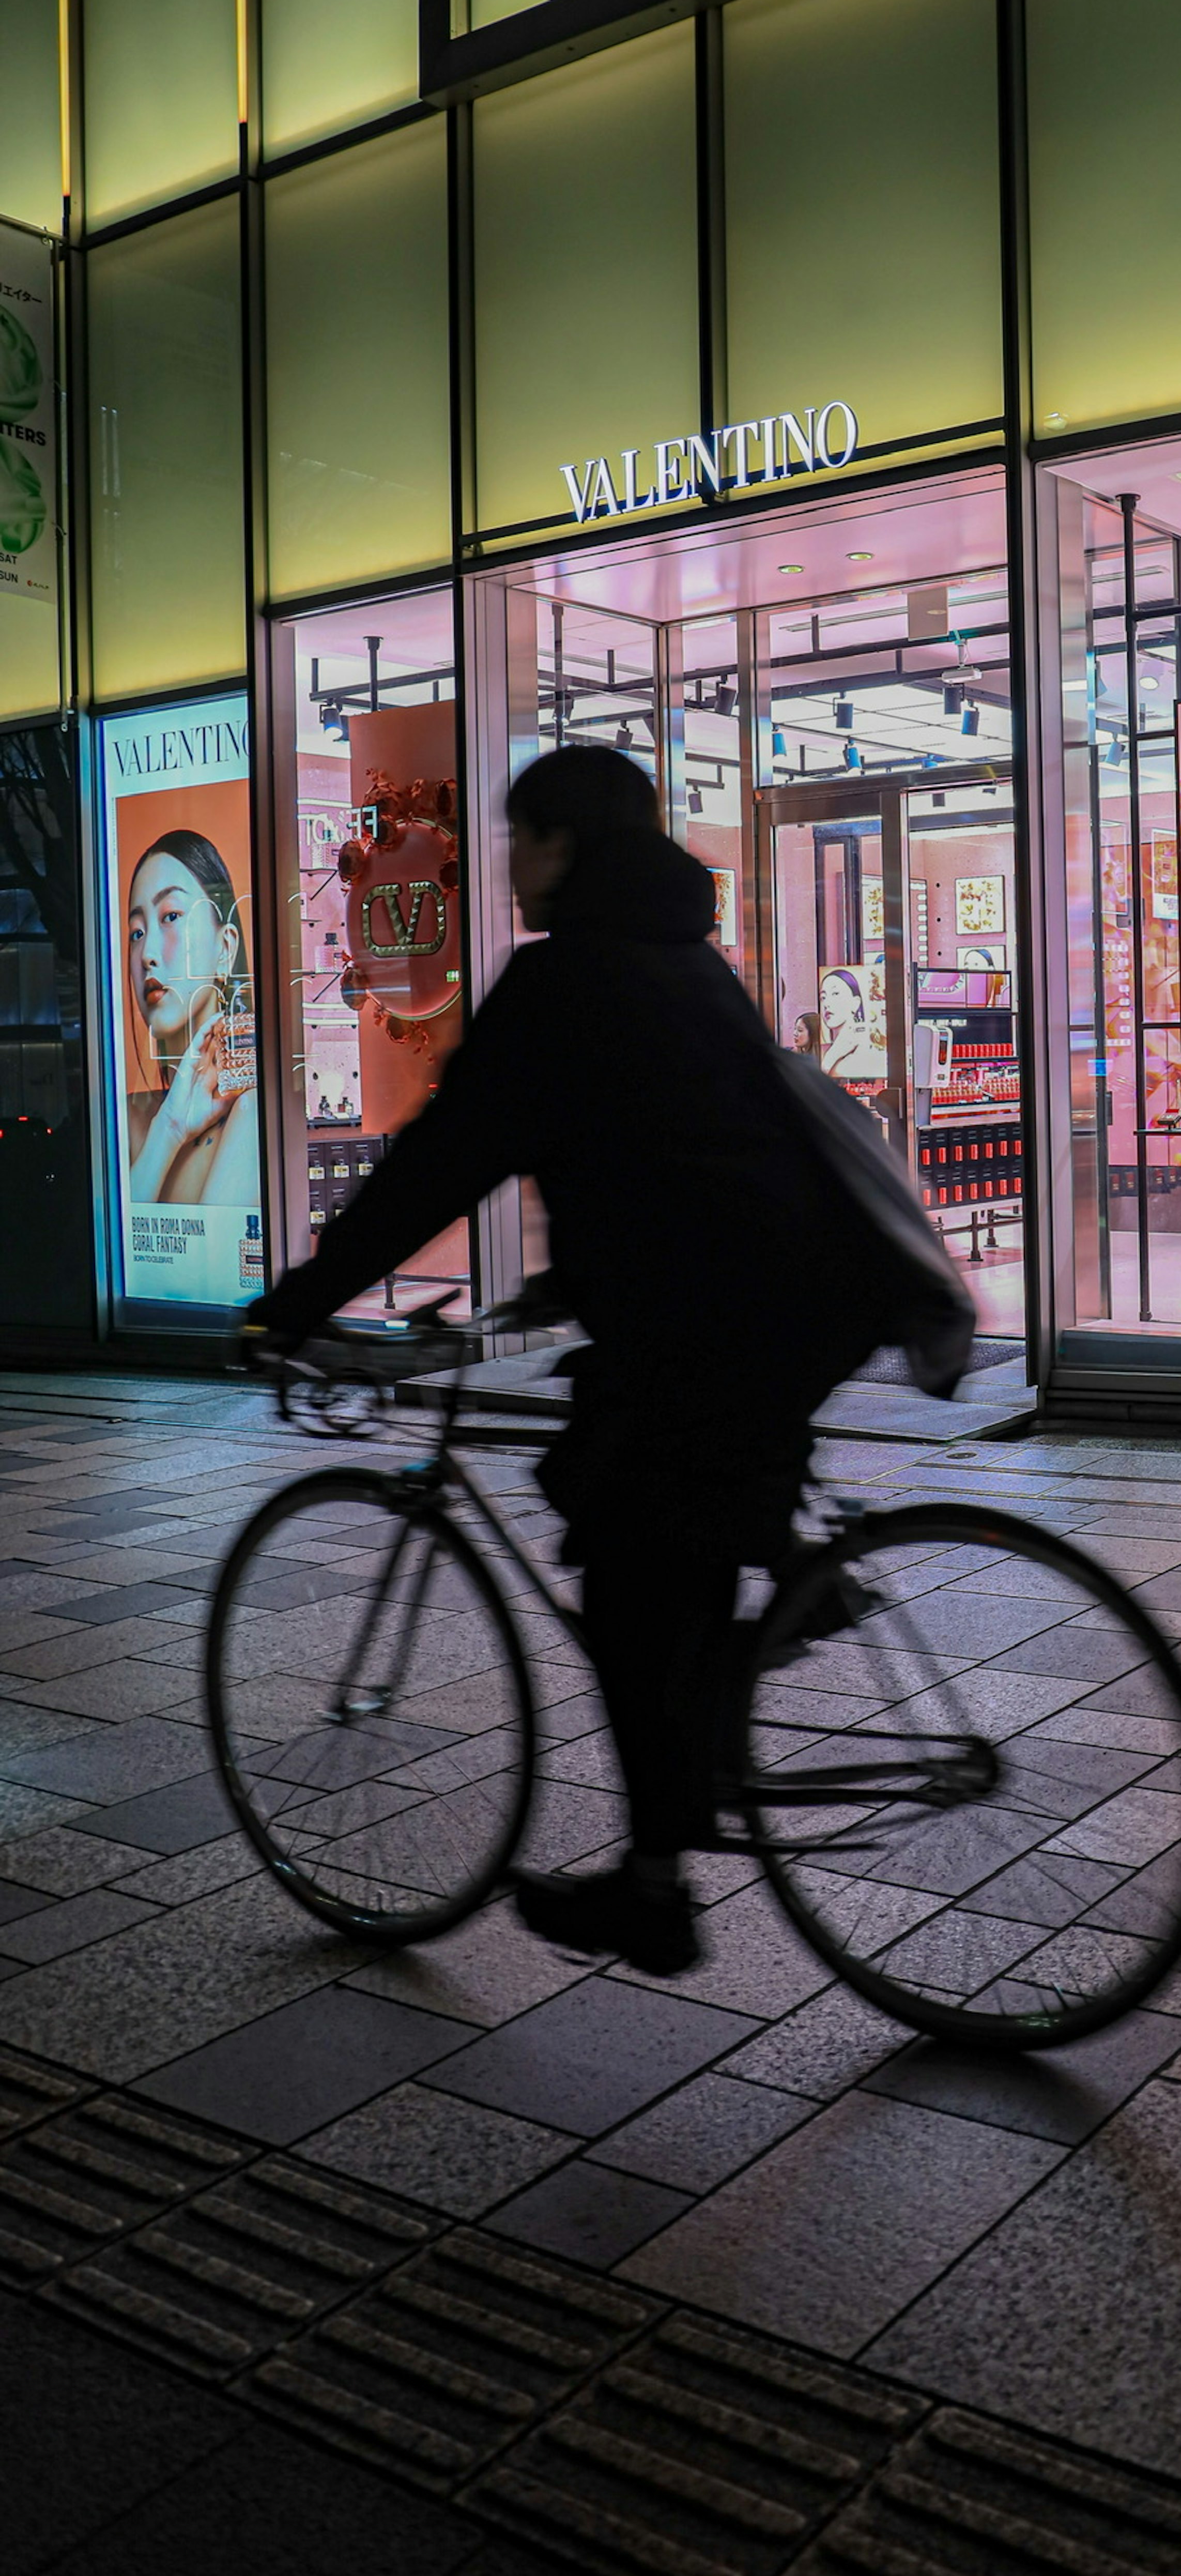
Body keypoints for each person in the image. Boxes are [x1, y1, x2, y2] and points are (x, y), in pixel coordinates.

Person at [252, 745, 923, 1973]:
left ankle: (655, 1881)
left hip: (716, 1329)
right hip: (795, 1307)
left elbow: (439, 1161)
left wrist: (295, 1303)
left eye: (515, 837)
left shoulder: (566, 980)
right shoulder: (683, 958)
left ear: (560, 845)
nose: (503, 863)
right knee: (674, 1529)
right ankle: (763, 1637)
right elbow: (677, 1156)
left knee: (624, 1563)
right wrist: (566, 1286)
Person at [125, 831, 259, 1206]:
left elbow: (209, 1264)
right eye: (136, 932)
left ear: (225, 948)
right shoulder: (126, 1120)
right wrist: (167, 1131)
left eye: (171, 916)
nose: (148, 953)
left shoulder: (252, 1112)